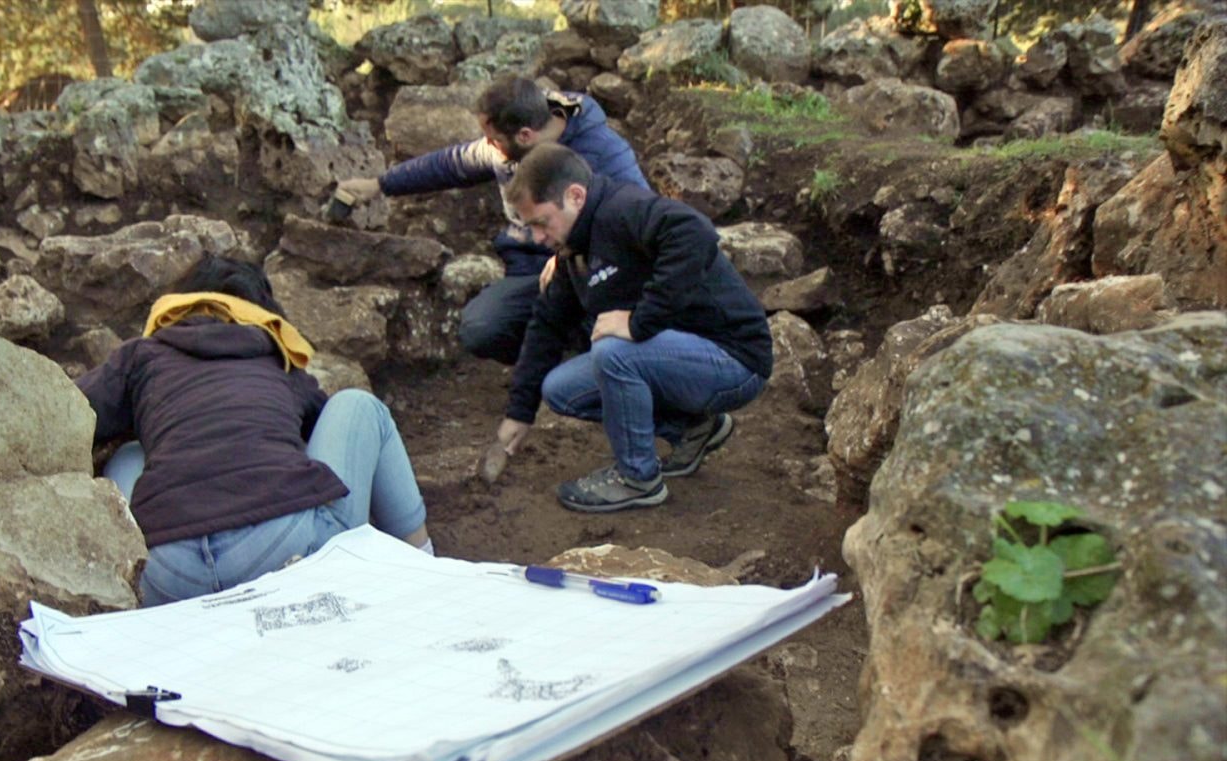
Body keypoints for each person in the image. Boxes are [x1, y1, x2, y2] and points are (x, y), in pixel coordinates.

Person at [77, 255, 432, 605]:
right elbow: (327, 430)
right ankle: (426, 569)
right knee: (359, 406)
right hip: (287, 556)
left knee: (129, 454)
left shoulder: (140, 356)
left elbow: (70, 409)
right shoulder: (272, 356)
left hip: (167, 573)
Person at [491, 144, 773, 513]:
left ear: (575, 196)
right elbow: (546, 325)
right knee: (560, 389)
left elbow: (696, 234)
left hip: (733, 359)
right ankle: (693, 429)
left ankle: (638, 478)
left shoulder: (623, 209)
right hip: (681, 359)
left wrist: (640, 320)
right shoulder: (573, 250)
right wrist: (520, 412)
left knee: (613, 353)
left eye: (542, 223)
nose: (539, 238)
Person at [335, 75, 648, 365]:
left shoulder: (605, 154)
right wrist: (380, 184)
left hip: (596, 275)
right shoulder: (506, 149)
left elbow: (642, 224)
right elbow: (452, 163)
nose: (487, 146)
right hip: (531, 274)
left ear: (525, 135)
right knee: (481, 327)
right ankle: (553, 361)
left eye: (493, 139)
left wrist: (572, 256)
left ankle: (595, 368)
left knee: (610, 334)